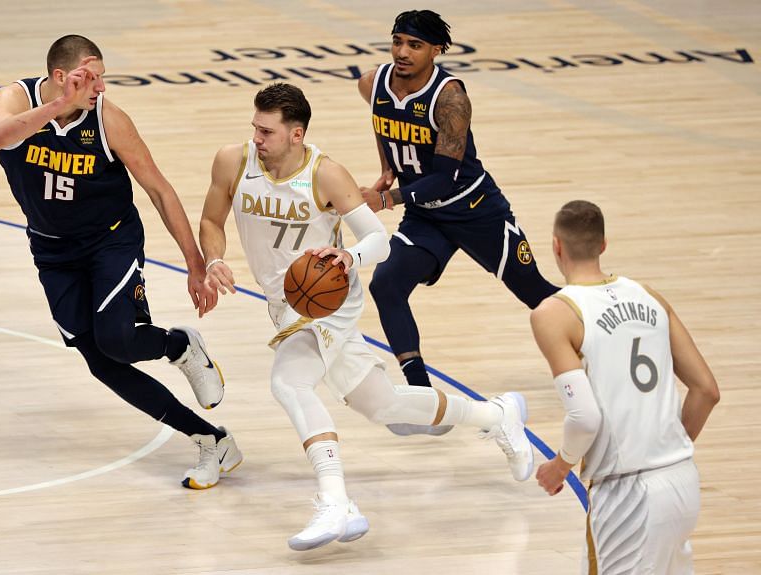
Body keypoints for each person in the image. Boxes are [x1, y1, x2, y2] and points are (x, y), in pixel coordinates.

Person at [198, 82, 534, 551]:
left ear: (297, 135)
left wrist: (348, 257)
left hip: (328, 299)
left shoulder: (325, 174)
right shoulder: (232, 161)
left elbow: (378, 240)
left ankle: (336, 501)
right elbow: (212, 220)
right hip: (283, 302)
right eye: (255, 128)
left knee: (289, 382)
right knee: (383, 405)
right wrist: (215, 260)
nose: (257, 138)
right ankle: (495, 414)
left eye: (267, 132)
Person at [0, 35, 242, 490]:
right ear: (63, 77)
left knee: (119, 340)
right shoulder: (16, 97)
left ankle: (177, 345)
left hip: (111, 241)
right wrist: (59, 105)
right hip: (52, 250)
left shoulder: (109, 119)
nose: (100, 87)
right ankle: (210, 438)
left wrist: (194, 264)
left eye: (102, 76)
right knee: (100, 361)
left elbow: (160, 190)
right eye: (92, 77)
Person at [357, 10, 559, 434]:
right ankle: (424, 402)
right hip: (425, 215)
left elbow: (445, 177)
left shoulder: (450, 98)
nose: (402, 52)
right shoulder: (372, 81)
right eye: (397, 42)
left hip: (474, 209)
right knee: (386, 285)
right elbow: (382, 121)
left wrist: (387, 198)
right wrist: (389, 167)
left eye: (415, 45)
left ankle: (605, 338)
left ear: (437, 50)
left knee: (538, 296)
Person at [531, 200, 720, 573]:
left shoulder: (554, 313)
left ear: (556, 246)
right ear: (603, 245)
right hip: (682, 479)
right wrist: (665, 451)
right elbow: (706, 390)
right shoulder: (649, 295)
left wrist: (560, 465)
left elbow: (585, 417)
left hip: (626, 492)